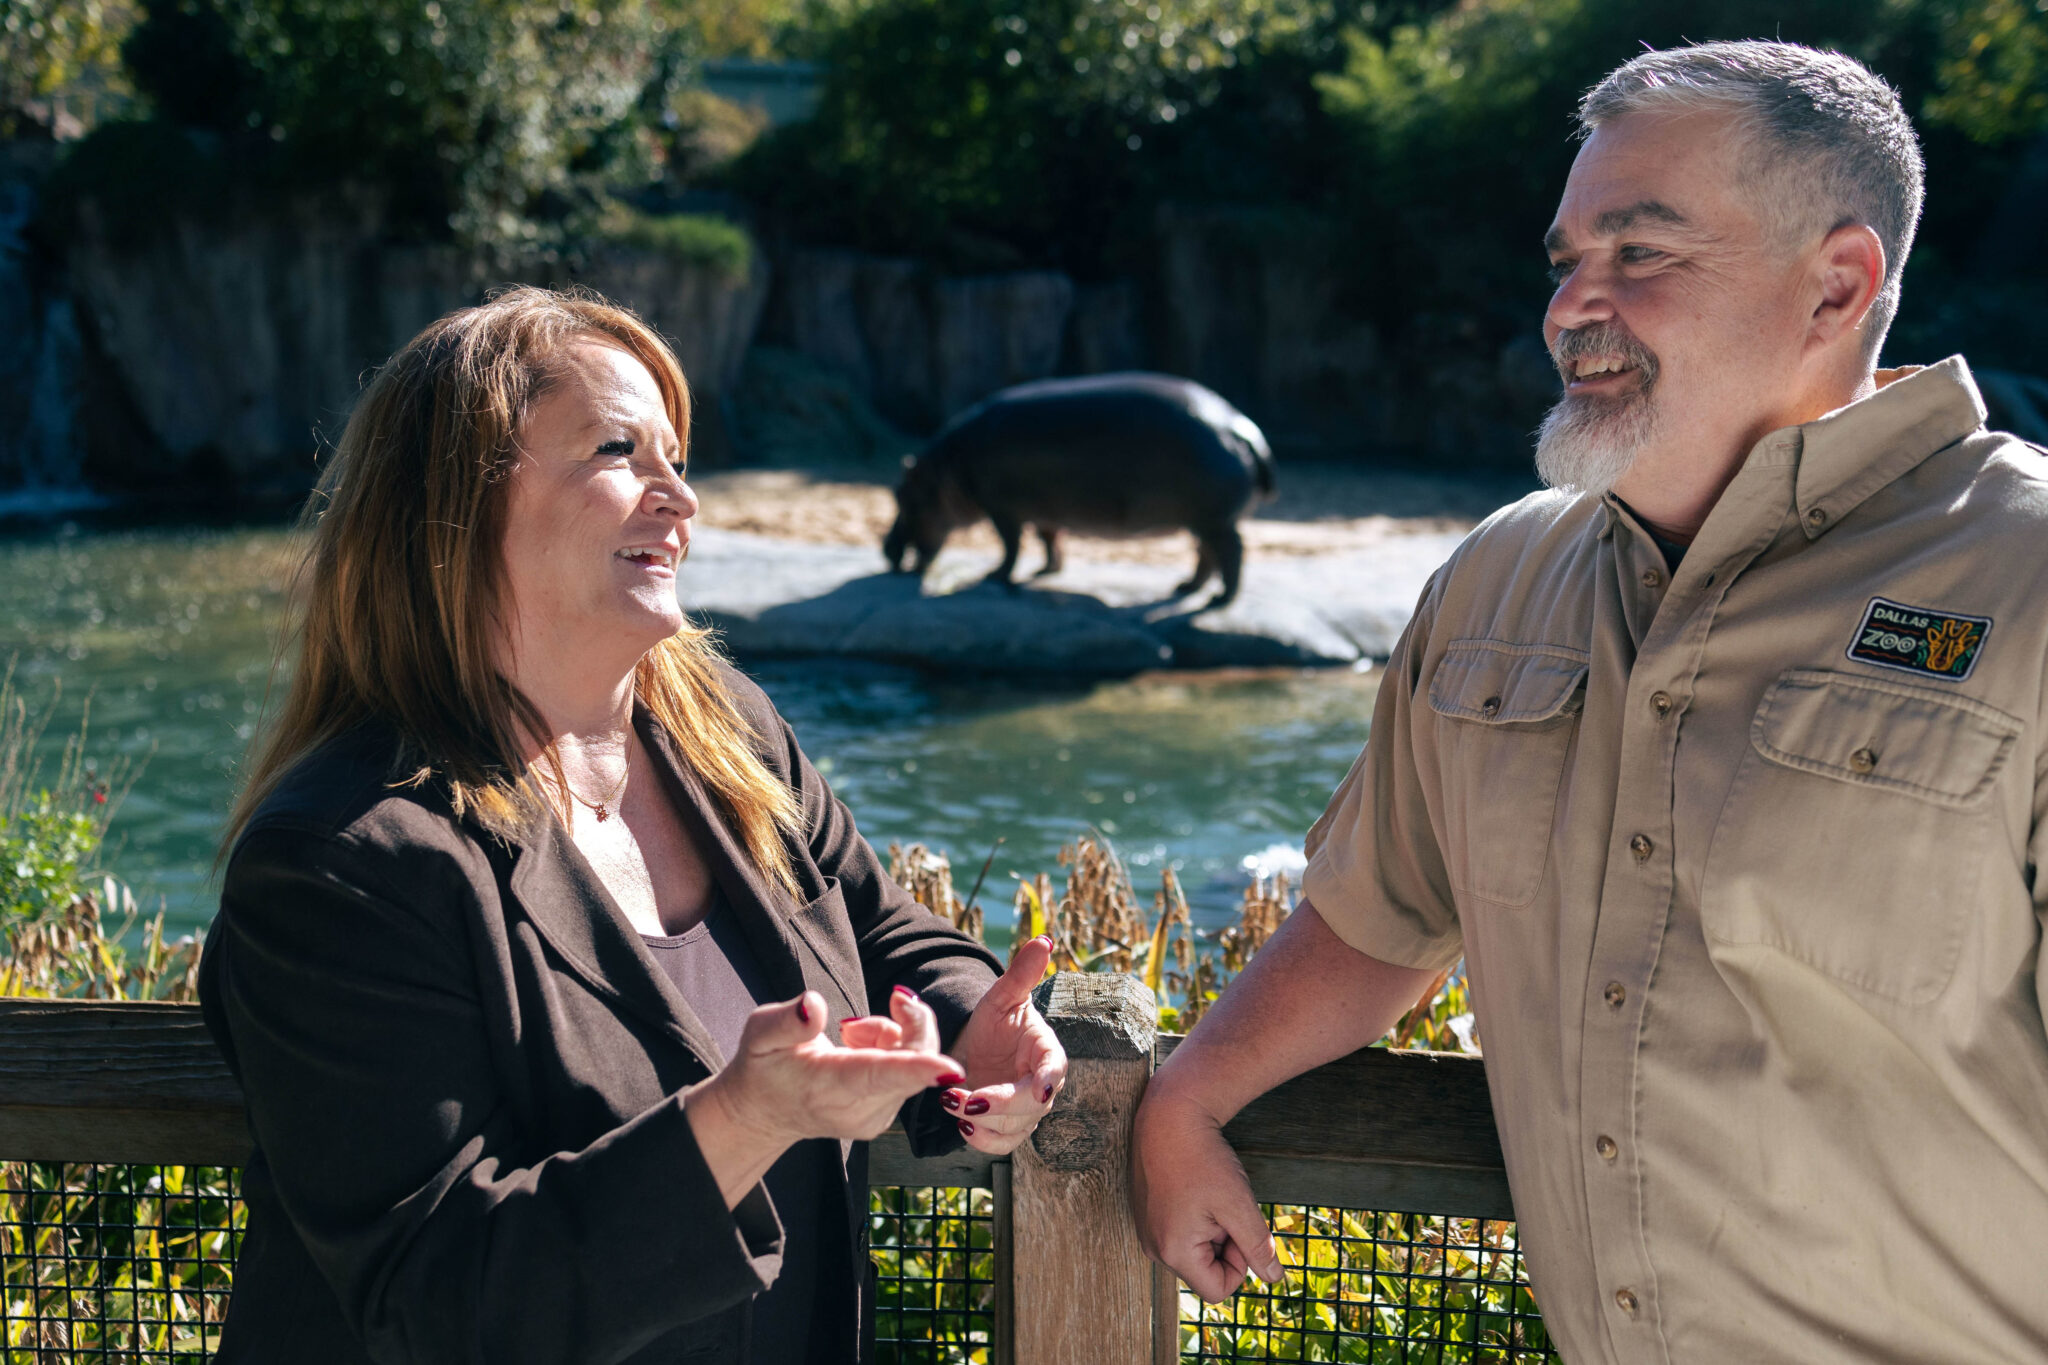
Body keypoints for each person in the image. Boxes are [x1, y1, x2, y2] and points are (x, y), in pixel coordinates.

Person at [1132, 39, 2048, 1362]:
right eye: (1568, 260)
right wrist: (1183, 1098)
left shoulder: (2025, 575)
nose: (1572, 306)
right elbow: (1384, 911)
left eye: (1641, 251)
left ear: (1837, 284)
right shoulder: (1501, 577)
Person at [199, 286, 1067, 1365]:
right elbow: (438, 1299)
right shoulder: (341, 862)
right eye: (618, 453)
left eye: (677, 460)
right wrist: (742, 1117)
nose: (678, 501)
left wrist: (971, 1032)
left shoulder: (723, 734)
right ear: (452, 507)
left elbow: (883, 933)